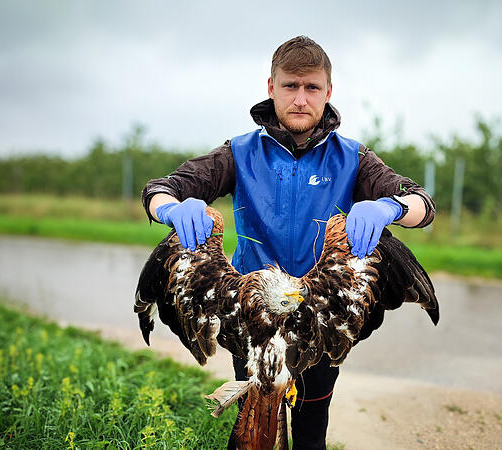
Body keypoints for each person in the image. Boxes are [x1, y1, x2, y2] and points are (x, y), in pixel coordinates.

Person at [141, 35, 434, 450]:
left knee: (312, 430)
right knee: (254, 427)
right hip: (251, 313)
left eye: (312, 87)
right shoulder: (238, 153)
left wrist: (391, 208)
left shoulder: (353, 157)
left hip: (323, 311)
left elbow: (422, 202)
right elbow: (162, 188)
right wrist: (170, 208)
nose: (301, 98)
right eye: (290, 86)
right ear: (271, 88)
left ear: (328, 92)